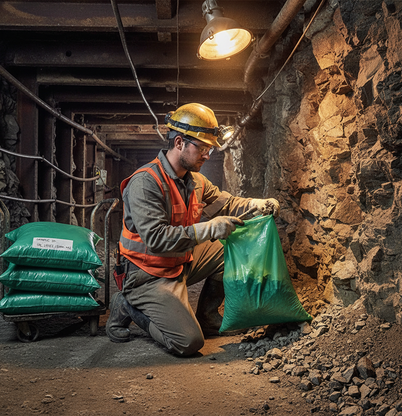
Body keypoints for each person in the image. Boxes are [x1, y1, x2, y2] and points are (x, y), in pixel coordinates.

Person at [106, 103, 280, 356]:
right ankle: (128, 305)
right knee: (188, 343)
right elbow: (155, 238)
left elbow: (226, 202)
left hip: (179, 261)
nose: (208, 155)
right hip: (148, 272)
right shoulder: (145, 182)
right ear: (179, 143)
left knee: (226, 250)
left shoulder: (195, 180)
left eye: (210, 148)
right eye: (203, 148)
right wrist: (208, 229)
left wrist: (255, 203)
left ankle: (208, 319)